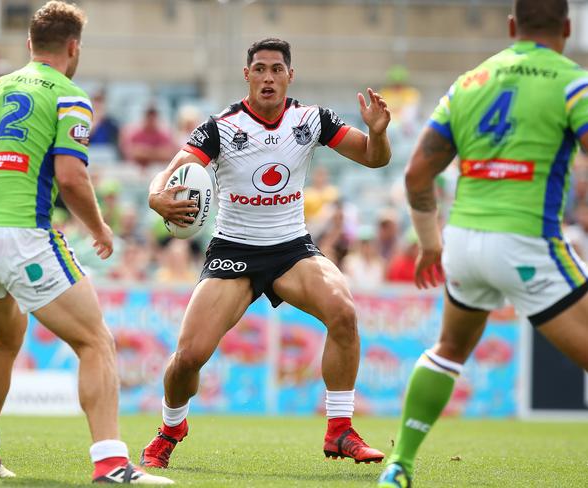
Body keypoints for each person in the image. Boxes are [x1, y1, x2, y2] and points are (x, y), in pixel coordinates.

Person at [0, 1, 171, 484]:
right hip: (20, 232)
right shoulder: (68, 95)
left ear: (28, 45)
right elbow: (71, 177)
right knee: (95, 341)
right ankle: (110, 462)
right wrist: (101, 228)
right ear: (73, 47)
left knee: (4, 338)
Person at [141, 38, 391, 469]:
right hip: (233, 252)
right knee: (188, 358)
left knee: (344, 312)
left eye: (277, 69)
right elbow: (173, 169)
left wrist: (379, 133)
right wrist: (154, 197)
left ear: (290, 76)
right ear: (247, 75)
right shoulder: (221, 127)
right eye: (260, 68)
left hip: (291, 248)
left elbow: (374, 159)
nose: (268, 77)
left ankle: (340, 431)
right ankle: (170, 428)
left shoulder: (312, 120)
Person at [378, 1, 588, 486]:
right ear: (568, 29)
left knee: (449, 348)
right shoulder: (572, 82)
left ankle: (400, 464)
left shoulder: (469, 82)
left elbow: (416, 174)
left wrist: (430, 243)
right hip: (527, 243)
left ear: (512, 26)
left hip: (464, 244)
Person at [119, 105, 177, 169]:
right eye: (148, 117)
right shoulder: (134, 132)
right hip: (134, 168)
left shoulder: (164, 133)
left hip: (158, 169)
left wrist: (145, 152)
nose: (150, 120)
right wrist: (156, 153)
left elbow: (168, 154)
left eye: (153, 117)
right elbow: (130, 152)